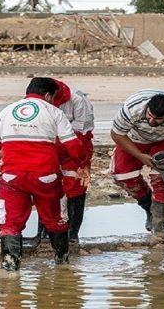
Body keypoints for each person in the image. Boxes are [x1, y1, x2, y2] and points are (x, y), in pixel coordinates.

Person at [0, 77, 88, 271]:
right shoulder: (54, 112)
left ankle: (10, 268)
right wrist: (80, 164)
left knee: (10, 223)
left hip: (12, 177)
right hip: (46, 177)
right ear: (48, 95)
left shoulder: (6, 111)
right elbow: (74, 146)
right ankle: (61, 263)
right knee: (56, 219)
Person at [110, 89, 164, 239]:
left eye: (157, 119)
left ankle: (158, 228)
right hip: (134, 139)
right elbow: (116, 134)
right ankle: (148, 207)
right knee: (123, 176)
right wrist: (139, 156)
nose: (151, 121)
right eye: (149, 116)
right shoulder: (132, 108)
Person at [51, 79, 94, 243]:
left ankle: (73, 233)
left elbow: (82, 133)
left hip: (77, 144)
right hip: (50, 144)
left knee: (76, 185)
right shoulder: (38, 100)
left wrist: (83, 162)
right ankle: (47, 230)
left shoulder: (79, 101)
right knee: (47, 184)